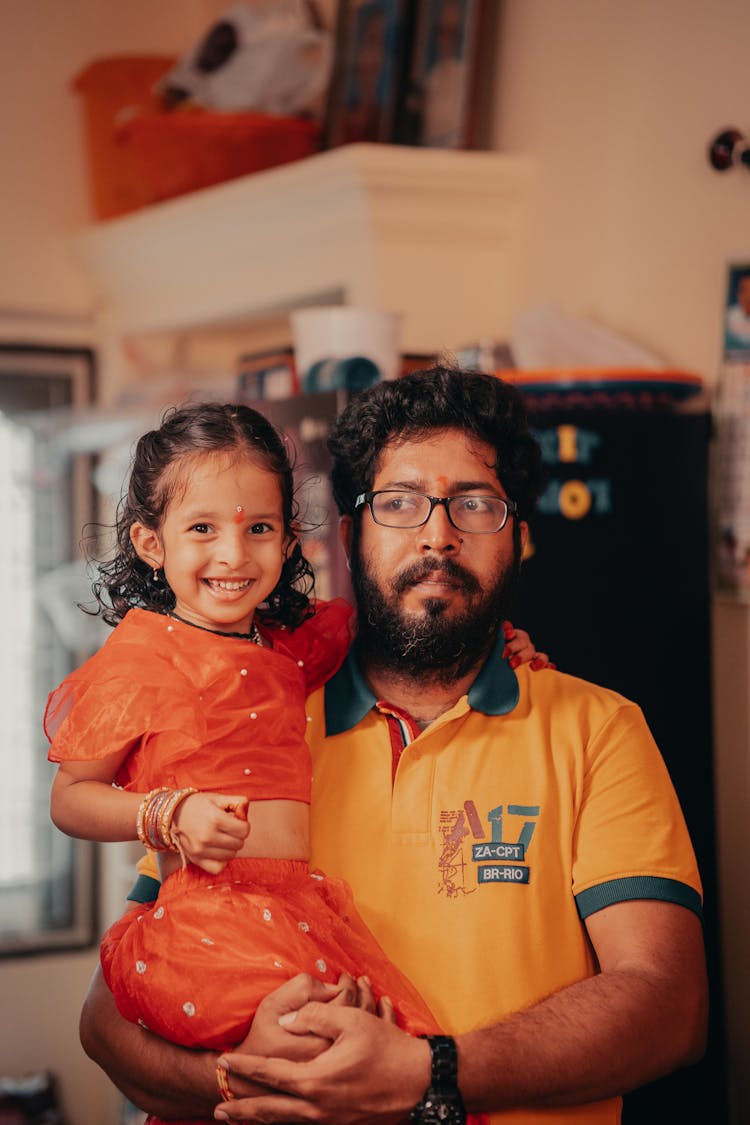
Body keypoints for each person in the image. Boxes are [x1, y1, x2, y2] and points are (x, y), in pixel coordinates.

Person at [79, 368, 707, 1125]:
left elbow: (669, 1005)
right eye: (400, 503)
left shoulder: (597, 729)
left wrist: (428, 1071)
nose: (437, 534)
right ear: (351, 534)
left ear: (520, 538)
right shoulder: (254, 714)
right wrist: (246, 1077)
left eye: (475, 503)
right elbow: (105, 1019)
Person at [48, 399, 540, 1124]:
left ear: (289, 540)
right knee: (309, 1067)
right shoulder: (142, 657)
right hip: (209, 920)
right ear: (152, 542)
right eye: (202, 529)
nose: (233, 555)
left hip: (298, 909)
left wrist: (493, 639)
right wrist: (165, 813)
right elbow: (70, 796)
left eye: (259, 529)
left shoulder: (287, 648)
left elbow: (407, 631)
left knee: (382, 1058)